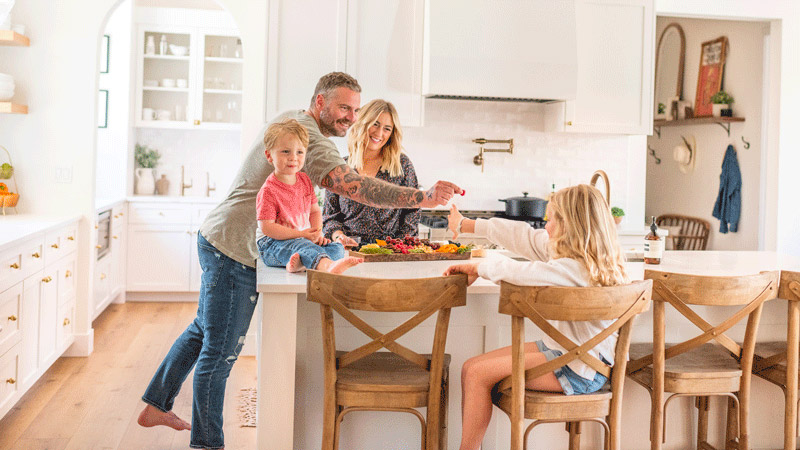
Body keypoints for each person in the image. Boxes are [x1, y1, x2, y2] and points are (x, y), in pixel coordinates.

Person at [136, 72, 462, 450]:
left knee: (203, 330)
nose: (351, 118)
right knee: (220, 350)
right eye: (344, 108)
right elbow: (355, 186)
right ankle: (206, 444)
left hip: (222, 237)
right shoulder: (310, 139)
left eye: (356, 109)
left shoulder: (295, 121)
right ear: (319, 103)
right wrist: (421, 196)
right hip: (233, 248)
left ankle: (155, 405)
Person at [443, 184, 629, 450]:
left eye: (551, 219)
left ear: (569, 225)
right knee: (471, 368)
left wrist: (478, 266)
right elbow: (524, 237)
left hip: (578, 370)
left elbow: (521, 273)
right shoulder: (588, 259)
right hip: (573, 358)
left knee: (476, 374)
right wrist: (470, 225)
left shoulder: (571, 268)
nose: (546, 227)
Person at [256, 118, 362, 273]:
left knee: (336, 248)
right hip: (271, 245)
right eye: (286, 151)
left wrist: (317, 233)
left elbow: (314, 211)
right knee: (302, 246)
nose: (293, 157)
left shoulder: (304, 180)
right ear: (269, 156)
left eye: (299, 152)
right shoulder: (268, 190)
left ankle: (304, 262)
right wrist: (301, 235)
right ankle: (327, 266)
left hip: (299, 240)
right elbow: (267, 227)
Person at [322, 99, 420, 245]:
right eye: (375, 124)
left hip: (389, 254)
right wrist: (339, 236)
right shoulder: (340, 167)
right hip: (349, 252)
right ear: (363, 124)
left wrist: (396, 248)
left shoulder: (401, 166)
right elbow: (330, 218)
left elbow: (412, 214)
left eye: (387, 128)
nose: (379, 133)